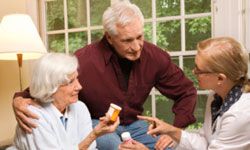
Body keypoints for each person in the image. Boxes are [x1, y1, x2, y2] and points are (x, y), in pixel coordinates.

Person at [12, 1, 197, 149]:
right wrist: (19, 99)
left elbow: (186, 91)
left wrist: (174, 130)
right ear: (109, 37)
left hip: (135, 124)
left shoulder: (154, 57)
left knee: (169, 146)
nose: (137, 46)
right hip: (98, 124)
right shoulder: (84, 60)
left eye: (140, 37)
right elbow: (47, 85)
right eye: (127, 40)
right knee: (115, 147)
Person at [136, 37, 250, 150]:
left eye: (199, 70)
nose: (193, 71)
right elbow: (205, 142)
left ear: (220, 78)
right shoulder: (216, 97)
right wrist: (170, 130)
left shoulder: (240, 115)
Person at [8, 53, 119, 150]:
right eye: (70, 82)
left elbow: (90, 148)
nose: (79, 86)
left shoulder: (79, 107)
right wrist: (94, 134)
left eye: (77, 78)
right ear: (50, 87)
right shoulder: (34, 115)